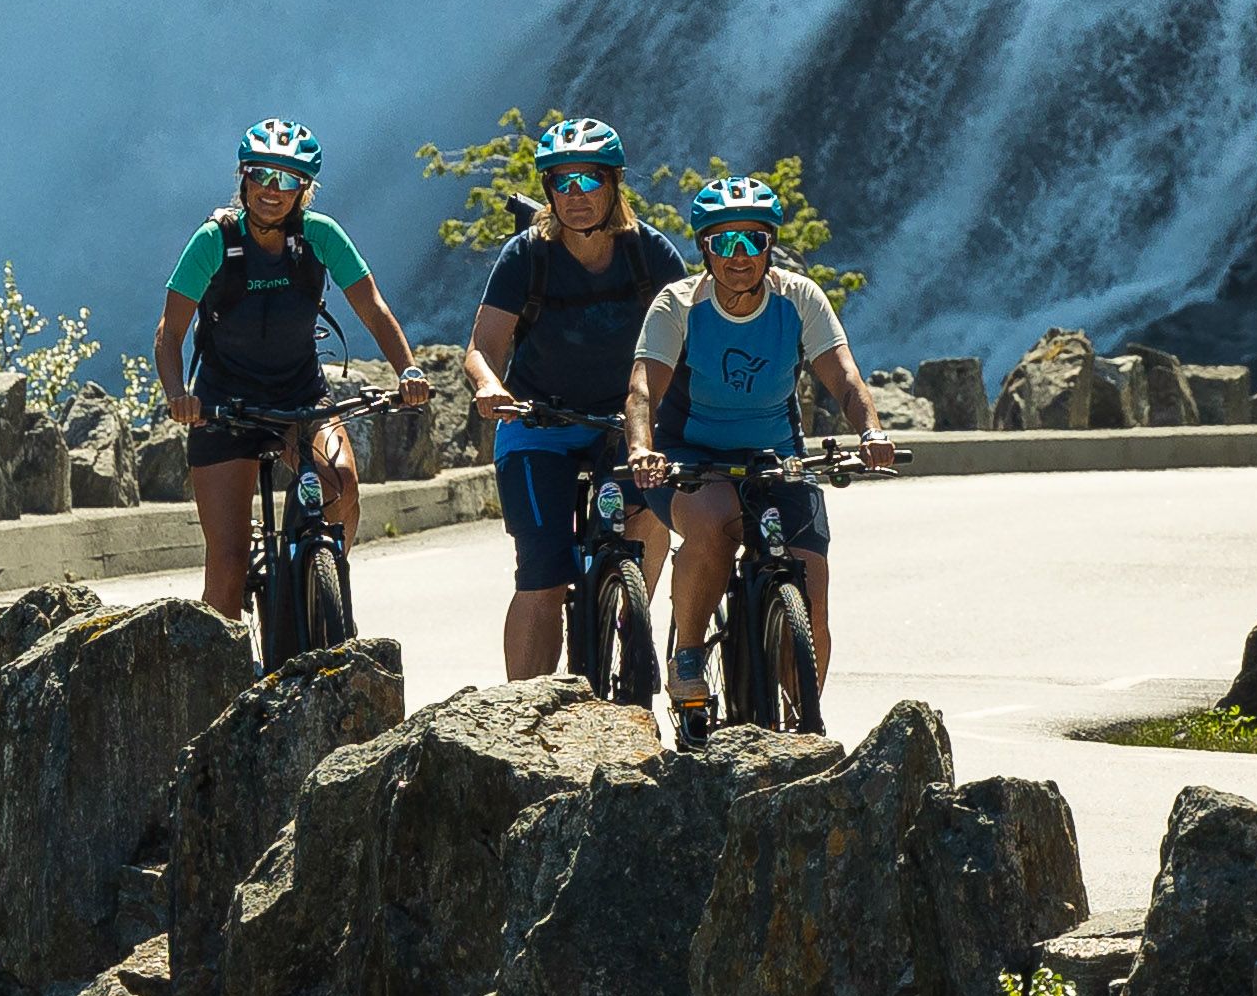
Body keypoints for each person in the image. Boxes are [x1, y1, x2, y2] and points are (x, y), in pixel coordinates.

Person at [622, 176, 895, 718]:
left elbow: (843, 378)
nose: (739, 255)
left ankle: (803, 716)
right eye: (724, 242)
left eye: (752, 241)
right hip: (687, 457)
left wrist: (872, 431)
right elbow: (642, 389)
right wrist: (641, 448)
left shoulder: (799, 299)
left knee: (811, 586)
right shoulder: (679, 304)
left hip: (777, 458)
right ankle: (689, 657)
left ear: (770, 245)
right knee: (716, 520)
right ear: (705, 248)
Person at [154, 117, 417, 623]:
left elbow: (374, 309)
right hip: (223, 407)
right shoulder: (213, 240)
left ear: (305, 189)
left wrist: (407, 370)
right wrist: (177, 393)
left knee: (340, 485)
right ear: (244, 179)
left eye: (289, 180)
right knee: (227, 566)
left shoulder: (320, 236)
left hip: (299, 397)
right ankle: (226, 683)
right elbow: (169, 331)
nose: (273, 191)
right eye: (262, 175)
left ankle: (318, 573)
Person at [461, 116, 688, 680]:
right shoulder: (527, 256)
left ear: (614, 185)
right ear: (548, 191)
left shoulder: (649, 254)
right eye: (562, 182)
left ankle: (628, 608)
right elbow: (482, 347)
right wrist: (490, 386)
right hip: (541, 423)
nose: (576, 195)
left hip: (625, 423)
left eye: (589, 180)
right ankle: (522, 713)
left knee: (653, 511)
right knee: (542, 573)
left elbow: (690, 342)